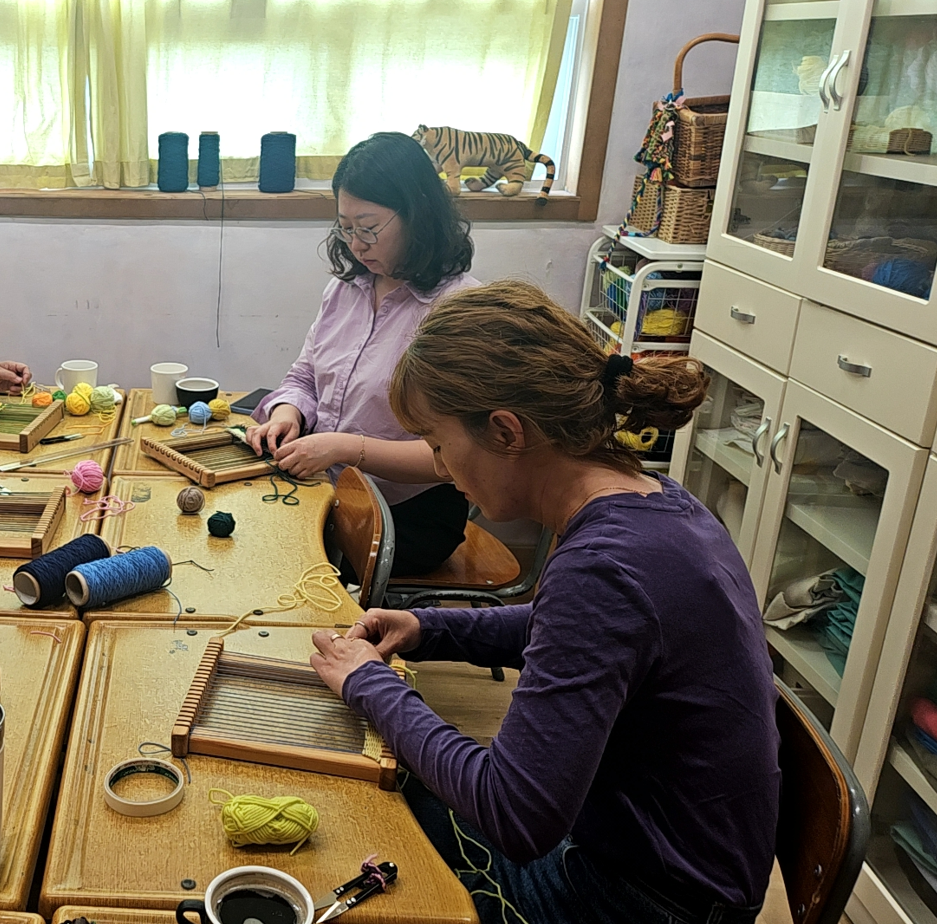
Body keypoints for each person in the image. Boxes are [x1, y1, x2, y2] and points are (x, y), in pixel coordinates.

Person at [309, 281, 781, 924]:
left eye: (439, 445)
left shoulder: (604, 568)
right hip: (670, 868)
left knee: (359, 824)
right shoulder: (658, 501)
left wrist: (370, 683)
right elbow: (564, 627)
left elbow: (515, 814)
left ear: (506, 431)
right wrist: (427, 627)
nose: (441, 468)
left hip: (640, 903)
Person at [246, 131, 478, 576]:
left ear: (417, 216)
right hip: (326, 490)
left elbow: (455, 457)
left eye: (368, 228)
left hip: (406, 516)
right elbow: (305, 377)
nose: (356, 244)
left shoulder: (457, 309)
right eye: (345, 227)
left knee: (276, 564)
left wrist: (343, 448)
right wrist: (287, 414)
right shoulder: (346, 290)